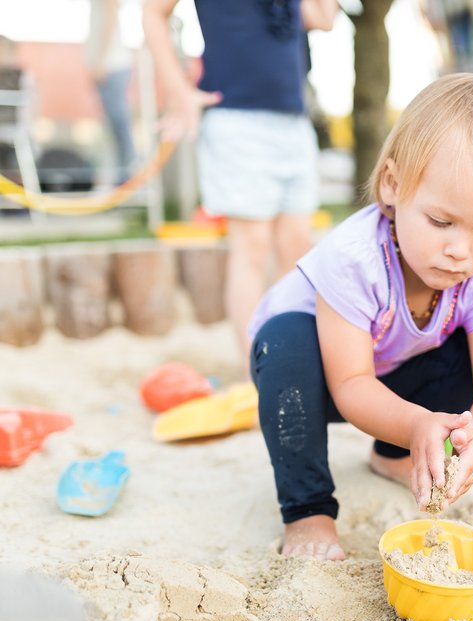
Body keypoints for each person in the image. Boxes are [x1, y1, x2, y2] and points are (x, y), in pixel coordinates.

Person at [247, 73, 473, 559]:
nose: (460, 251)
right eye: (441, 222)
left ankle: (391, 454)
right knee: (285, 343)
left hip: (393, 370)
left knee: (467, 351)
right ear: (392, 185)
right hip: (314, 378)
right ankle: (308, 511)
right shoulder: (354, 257)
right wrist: (415, 424)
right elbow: (352, 384)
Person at [143, 0, 339, 361]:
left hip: (292, 118)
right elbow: (153, 10)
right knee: (252, 247)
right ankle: (259, 370)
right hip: (236, 118)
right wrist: (176, 90)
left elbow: (322, 18)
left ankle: (289, 359)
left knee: (296, 246)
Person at [87, 0, 136, 184]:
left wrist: (99, 60)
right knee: (113, 128)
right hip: (109, 66)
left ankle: (127, 178)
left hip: (111, 66)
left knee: (119, 126)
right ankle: (121, 178)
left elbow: (110, 17)